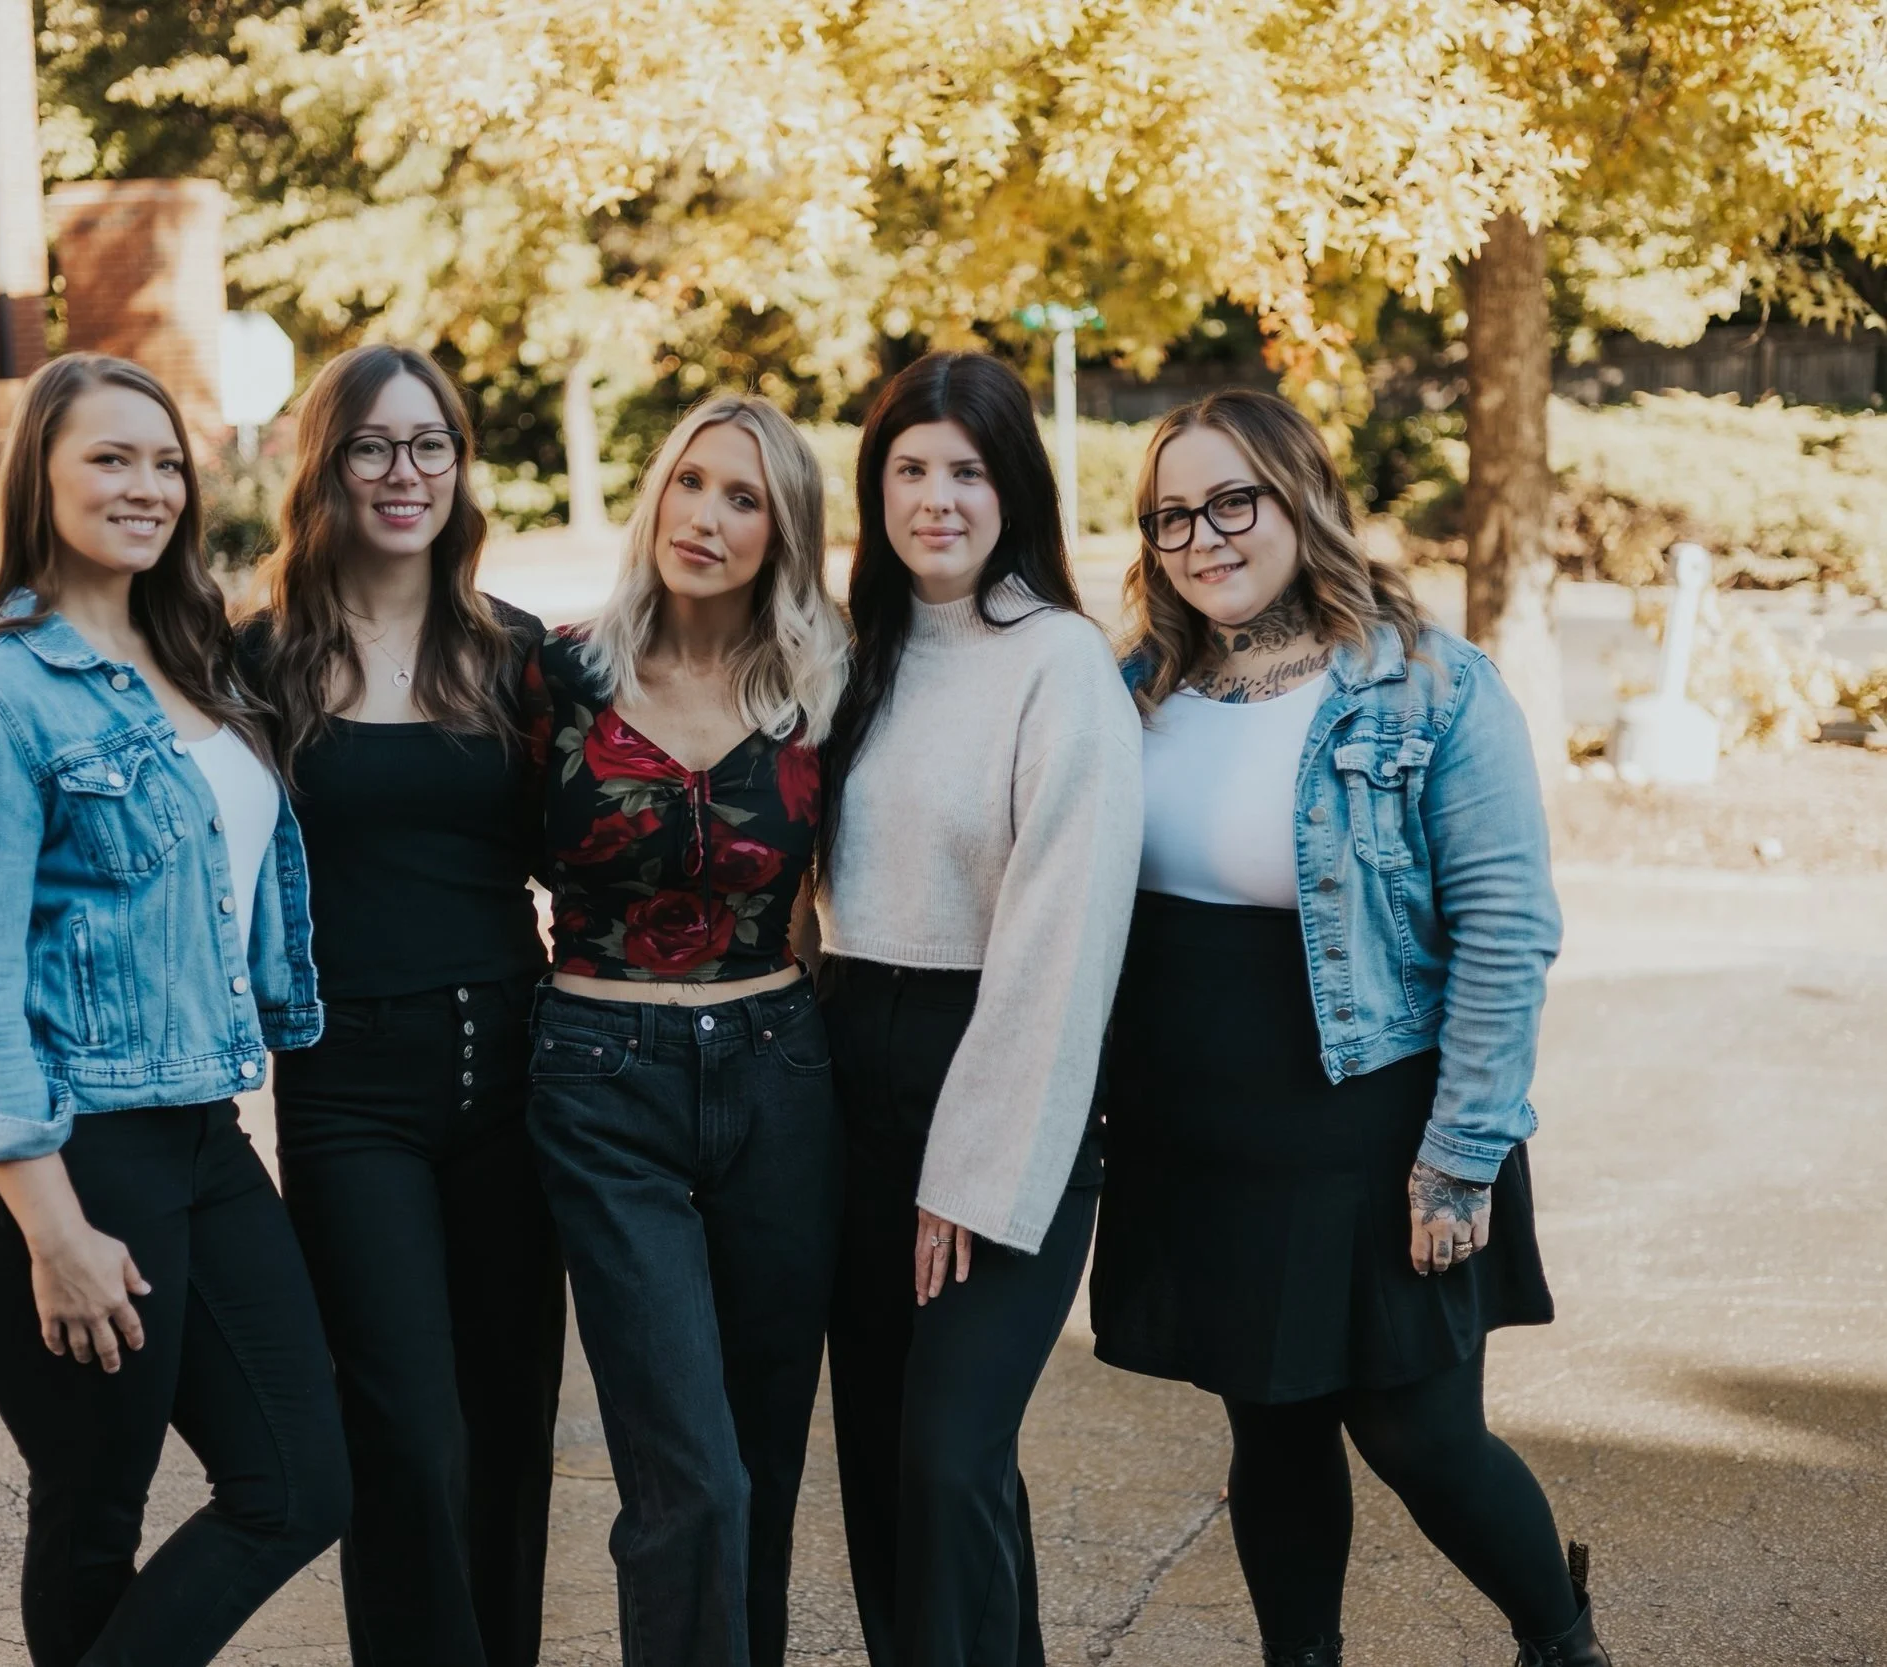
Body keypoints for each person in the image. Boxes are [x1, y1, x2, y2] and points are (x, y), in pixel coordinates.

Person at [1094, 388, 1607, 1667]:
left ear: (1302, 498)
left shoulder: (1427, 684)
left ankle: (1560, 1643)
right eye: (1170, 516)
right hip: (1197, 1136)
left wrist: (1459, 1156)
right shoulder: (1132, 688)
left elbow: (1505, 929)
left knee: (1419, 1435)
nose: (1201, 537)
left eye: (1231, 501)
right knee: (1268, 1428)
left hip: (1371, 1127)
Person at [0, 353, 347, 1667]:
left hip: (199, 1129)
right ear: (39, 476)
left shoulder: (197, 656)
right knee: (96, 1504)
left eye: (164, 462)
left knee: (298, 1481)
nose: (145, 486)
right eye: (109, 458)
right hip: (61, 1147)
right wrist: (53, 1230)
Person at [815, 350, 1143, 1667]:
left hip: (1005, 1082)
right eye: (908, 469)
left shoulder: (1060, 662)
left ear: (1014, 487)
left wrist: (969, 1168)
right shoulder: (857, 655)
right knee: (884, 1460)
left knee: (948, 1457)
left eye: (966, 470)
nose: (935, 498)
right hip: (848, 1078)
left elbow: (1062, 940)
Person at [240, 344, 564, 1667]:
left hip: (517, 1078)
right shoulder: (257, 663)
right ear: (326, 466)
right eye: (371, 445)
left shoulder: (516, 655)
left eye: (430, 444)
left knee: (508, 1425)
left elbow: (588, 848)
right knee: (405, 1434)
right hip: (349, 1092)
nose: (404, 472)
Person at [525, 392, 848, 1667]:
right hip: (601, 1082)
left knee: (760, 1465)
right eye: (690, 482)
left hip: (780, 1077)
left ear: (783, 532)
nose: (704, 516)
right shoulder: (556, 676)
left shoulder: (824, 687)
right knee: (689, 1476)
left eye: (743, 497)